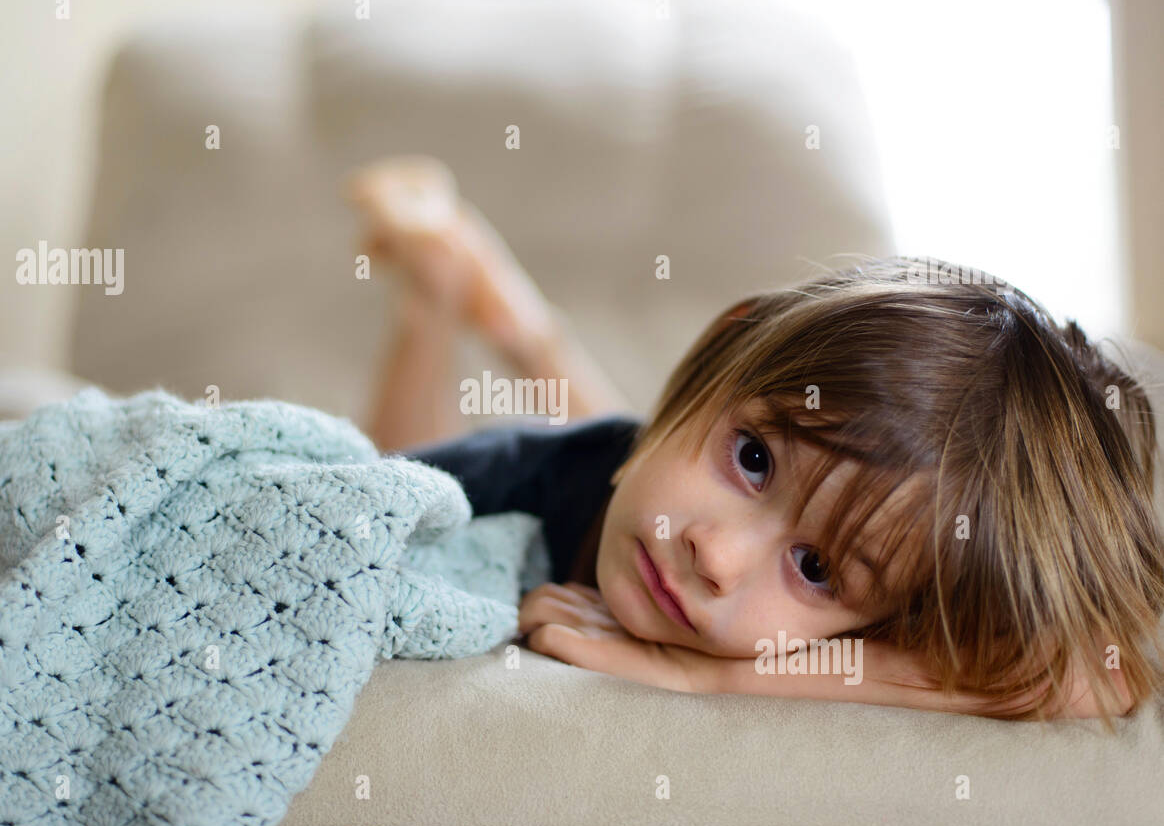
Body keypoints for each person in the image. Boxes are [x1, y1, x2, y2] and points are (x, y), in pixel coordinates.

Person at [344, 156, 1162, 728]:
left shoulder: (901, 579)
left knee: (653, 455)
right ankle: (440, 297)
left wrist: (711, 673)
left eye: (816, 568)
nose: (716, 556)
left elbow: (1108, 667)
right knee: (407, 480)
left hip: (631, 460)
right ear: (726, 345)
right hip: (562, 470)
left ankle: (516, 320)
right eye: (755, 458)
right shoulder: (525, 482)